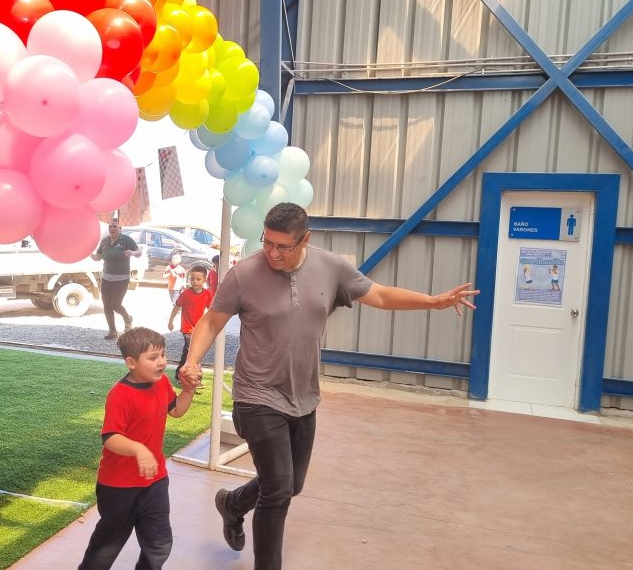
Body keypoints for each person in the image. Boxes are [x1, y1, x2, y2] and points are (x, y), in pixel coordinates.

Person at [178, 203, 478, 570]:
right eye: (267, 242)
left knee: (292, 484)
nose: (272, 253)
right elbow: (212, 320)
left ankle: (232, 503)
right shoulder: (244, 274)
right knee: (278, 490)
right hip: (256, 395)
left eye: (282, 246)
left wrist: (433, 301)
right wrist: (192, 361)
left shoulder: (330, 267)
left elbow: (380, 295)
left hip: (303, 396)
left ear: (305, 239)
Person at [77, 327, 198, 570]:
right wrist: (138, 449)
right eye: (153, 358)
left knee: (159, 545)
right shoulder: (121, 394)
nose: (161, 362)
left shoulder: (162, 383)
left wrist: (188, 389)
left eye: (163, 355)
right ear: (131, 363)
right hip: (118, 486)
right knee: (105, 550)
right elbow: (110, 437)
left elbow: (176, 410)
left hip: (155, 481)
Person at [92, 219, 142, 340]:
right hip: (106, 278)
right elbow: (98, 257)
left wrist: (132, 253)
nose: (112, 229)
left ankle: (128, 319)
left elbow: (139, 252)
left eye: (115, 227)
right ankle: (112, 331)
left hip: (121, 279)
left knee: (115, 304)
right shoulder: (105, 241)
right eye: (110, 227)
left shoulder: (126, 240)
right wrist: (88, 253)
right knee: (106, 306)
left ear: (120, 228)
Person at [167, 265, 213, 383]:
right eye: (192, 279)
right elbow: (176, 307)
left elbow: (211, 311)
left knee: (192, 353)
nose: (194, 281)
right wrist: (171, 321)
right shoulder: (186, 294)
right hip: (187, 329)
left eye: (198, 279)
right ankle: (190, 377)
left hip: (199, 329)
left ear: (204, 280)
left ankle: (185, 375)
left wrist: (210, 326)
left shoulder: (207, 294)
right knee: (192, 353)